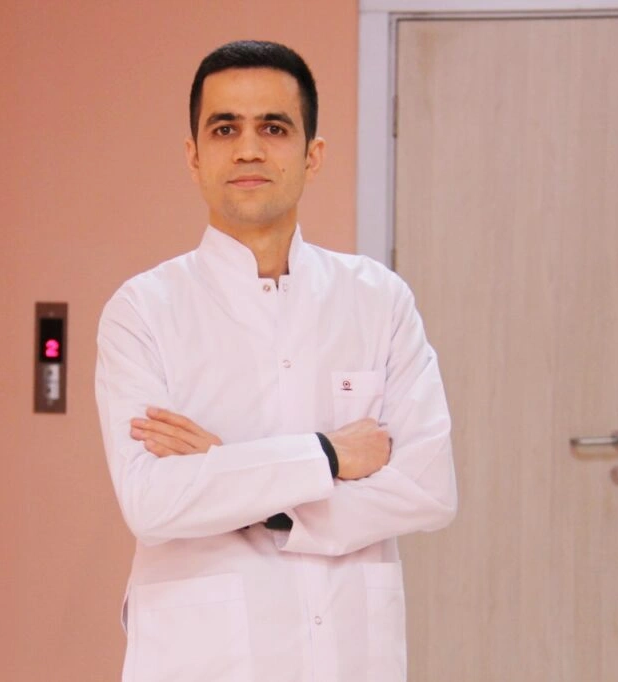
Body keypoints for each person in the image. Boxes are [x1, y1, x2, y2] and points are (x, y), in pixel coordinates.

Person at [95, 40, 457, 682]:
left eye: (274, 127)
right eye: (224, 128)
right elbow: (153, 503)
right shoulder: (143, 311)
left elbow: (427, 490)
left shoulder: (378, 300)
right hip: (203, 658)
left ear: (312, 155)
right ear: (194, 155)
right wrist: (329, 455)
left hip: (350, 654)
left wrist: (236, 479)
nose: (248, 149)